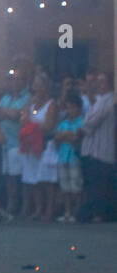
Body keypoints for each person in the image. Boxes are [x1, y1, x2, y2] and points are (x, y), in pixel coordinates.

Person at [19, 73, 58, 221]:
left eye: (38, 84)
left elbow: (48, 126)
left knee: (47, 180)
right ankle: (38, 209)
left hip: (45, 145)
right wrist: (29, 114)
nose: (35, 87)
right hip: (31, 145)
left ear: (45, 86)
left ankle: (49, 209)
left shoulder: (51, 104)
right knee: (34, 179)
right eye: (34, 84)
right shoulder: (31, 103)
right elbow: (23, 121)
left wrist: (32, 125)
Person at [0, 66, 31, 217]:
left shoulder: (27, 97)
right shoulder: (6, 97)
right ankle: (10, 204)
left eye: (17, 79)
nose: (13, 82)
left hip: (18, 142)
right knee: (8, 176)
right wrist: (6, 113)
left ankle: (21, 205)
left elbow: (18, 115)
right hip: (4, 143)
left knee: (18, 176)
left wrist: (6, 112)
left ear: (24, 81)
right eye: (11, 79)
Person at [78, 72, 115, 223]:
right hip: (92, 148)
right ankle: (93, 211)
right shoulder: (99, 100)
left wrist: (79, 130)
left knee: (101, 185)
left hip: (102, 149)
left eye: (102, 82)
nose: (99, 85)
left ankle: (101, 213)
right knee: (92, 183)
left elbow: (93, 121)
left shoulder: (110, 100)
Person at [53, 92, 86, 224]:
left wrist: (65, 136)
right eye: (67, 108)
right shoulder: (64, 123)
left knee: (76, 187)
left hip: (74, 159)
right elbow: (56, 138)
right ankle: (67, 212)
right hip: (63, 158)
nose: (69, 110)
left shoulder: (82, 122)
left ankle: (77, 212)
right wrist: (66, 135)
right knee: (65, 188)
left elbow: (76, 138)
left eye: (72, 107)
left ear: (79, 108)